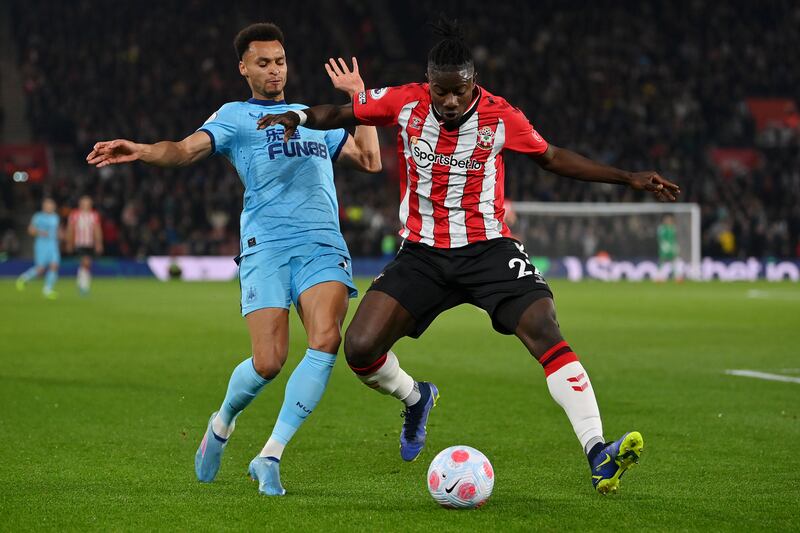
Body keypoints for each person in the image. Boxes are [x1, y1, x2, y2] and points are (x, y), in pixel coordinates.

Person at [258, 18, 680, 494]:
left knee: (544, 326)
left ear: (473, 82)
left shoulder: (502, 116)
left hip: (489, 250)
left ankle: (597, 450)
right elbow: (340, 112)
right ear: (429, 84)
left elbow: (552, 156)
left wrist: (627, 178)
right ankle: (416, 398)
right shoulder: (405, 102)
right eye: (441, 92)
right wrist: (297, 117)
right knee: (359, 348)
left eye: (459, 91)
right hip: (422, 254)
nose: (451, 101)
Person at [86, 22, 381, 495]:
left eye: (280, 61)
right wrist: (142, 149)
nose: (274, 71)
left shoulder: (312, 116)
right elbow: (182, 151)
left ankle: (270, 455)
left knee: (326, 338)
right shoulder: (234, 117)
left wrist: (360, 101)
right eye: (263, 63)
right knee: (268, 361)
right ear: (243, 68)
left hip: (322, 243)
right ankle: (222, 423)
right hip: (265, 245)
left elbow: (370, 160)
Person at [16, 198, 61, 298]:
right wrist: (40, 232)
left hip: (53, 244)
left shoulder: (56, 217)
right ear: (44, 206)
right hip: (41, 244)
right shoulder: (38, 217)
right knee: (40, 269)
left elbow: (57, 231)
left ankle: (47, 290)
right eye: (48, 205)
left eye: (51, 205)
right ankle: (24, 278)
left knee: (54, 265)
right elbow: (30, 230)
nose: (50, 207)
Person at [66, 195, 103, 295]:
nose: (86, 205)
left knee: (87, 265)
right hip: (79, 243)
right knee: (85, 262)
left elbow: (97, 229)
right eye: (84, 203)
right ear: (80, 204)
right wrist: (69, 243)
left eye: (88, 203)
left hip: (90, 243)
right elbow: (70, 229)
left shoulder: (94, 215)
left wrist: (99, 243)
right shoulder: (74, 215)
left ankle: (81, 282)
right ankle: (84, 286)